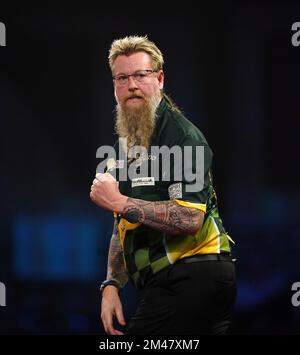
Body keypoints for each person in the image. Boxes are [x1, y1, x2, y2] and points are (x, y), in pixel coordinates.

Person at [90, 35, 236, 335]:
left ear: (159, 79)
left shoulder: (184, 137)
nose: (131, 85)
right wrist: (111, 284)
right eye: (122, 77)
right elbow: (124, 224)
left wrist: (119, 201)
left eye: (140, 75)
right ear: (114, 86)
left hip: (194, 274)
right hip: (174, 281)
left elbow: (190, 218)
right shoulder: (125, 149)